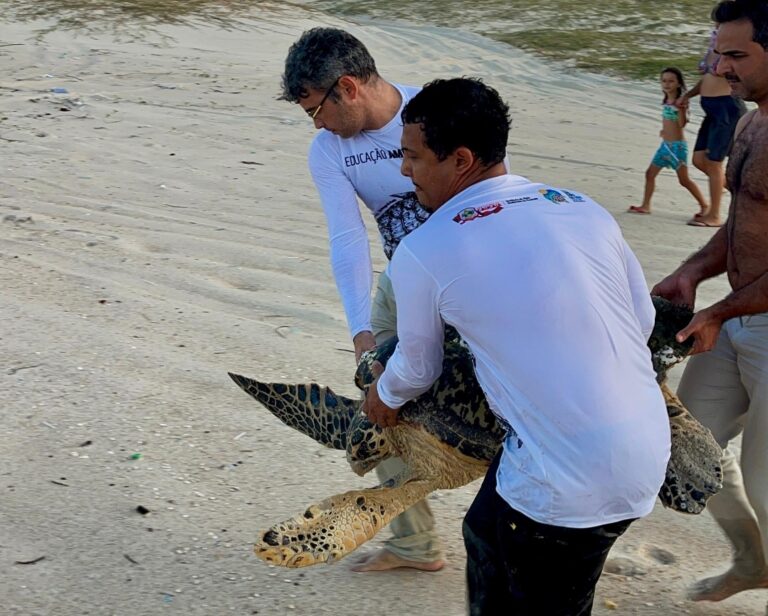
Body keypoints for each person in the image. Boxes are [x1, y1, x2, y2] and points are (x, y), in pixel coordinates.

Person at [362, 77, 671, 615]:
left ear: (460, 160)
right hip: (645, 448)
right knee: (484, 530)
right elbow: (641, 320)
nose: (404, 171)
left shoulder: (425, 247)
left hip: (568, 482)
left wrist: (382, 399)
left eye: (412, 157)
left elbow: (416, 367)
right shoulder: (579, 206)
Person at [280, 27, 445, 573]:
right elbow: (347, 239)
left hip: (468, 270)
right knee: (380, 407)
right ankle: (414, 543)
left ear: (347, 88)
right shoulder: (328, 150)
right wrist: (361, 335)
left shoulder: (439, 109)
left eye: (316, 109)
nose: (317, 123)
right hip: (402, 280)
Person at [652, 0, 768, 603]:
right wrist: (693, 271)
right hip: (740, 318)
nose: (721, 66)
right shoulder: (753, 120)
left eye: (736, 54)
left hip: (750, 320)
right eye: (719, 51)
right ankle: (753, 560)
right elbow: (744, 223)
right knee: (688, 449)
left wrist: (718, 311)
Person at [677, 13, 748, 227]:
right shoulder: (715, 45)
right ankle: (744, 197)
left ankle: (715, 215)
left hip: (727, 109)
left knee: (714, 163)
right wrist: (688, 95)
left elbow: (727, 72)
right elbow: (707, 77)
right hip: (712, 111)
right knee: (700, 160)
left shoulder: (732, 48)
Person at [628, 67, 709, 216]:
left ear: (678, 83)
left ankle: (705, 205)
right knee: (649, 174)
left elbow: (682, 124)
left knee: (684, 180)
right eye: (664, 81)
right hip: (665, 146)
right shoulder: (666, 99)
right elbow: (668, 121)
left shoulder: (680, 102)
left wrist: (682, 110)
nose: (667, 84)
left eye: (671, 81)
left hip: (677, 148)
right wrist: (664, 131)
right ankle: (646, 205)